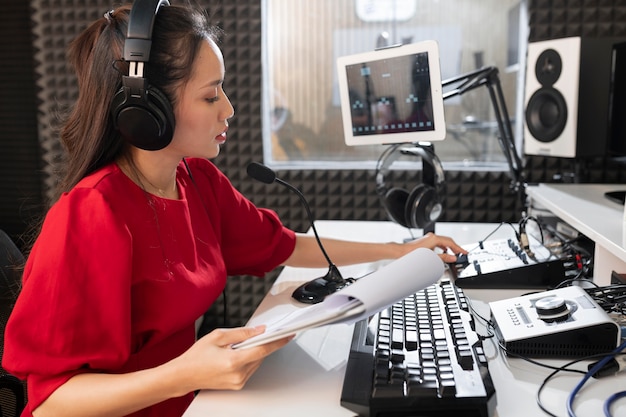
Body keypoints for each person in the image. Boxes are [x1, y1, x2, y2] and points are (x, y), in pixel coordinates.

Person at [2, 3, 467, 417]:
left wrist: (399, 252)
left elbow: (283, 245)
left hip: (197, 399)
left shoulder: (196, 181)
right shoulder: (89, 216)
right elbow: (51, 403)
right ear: (146, 109)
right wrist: (185, 374)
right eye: (210, 95)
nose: (229, 109)